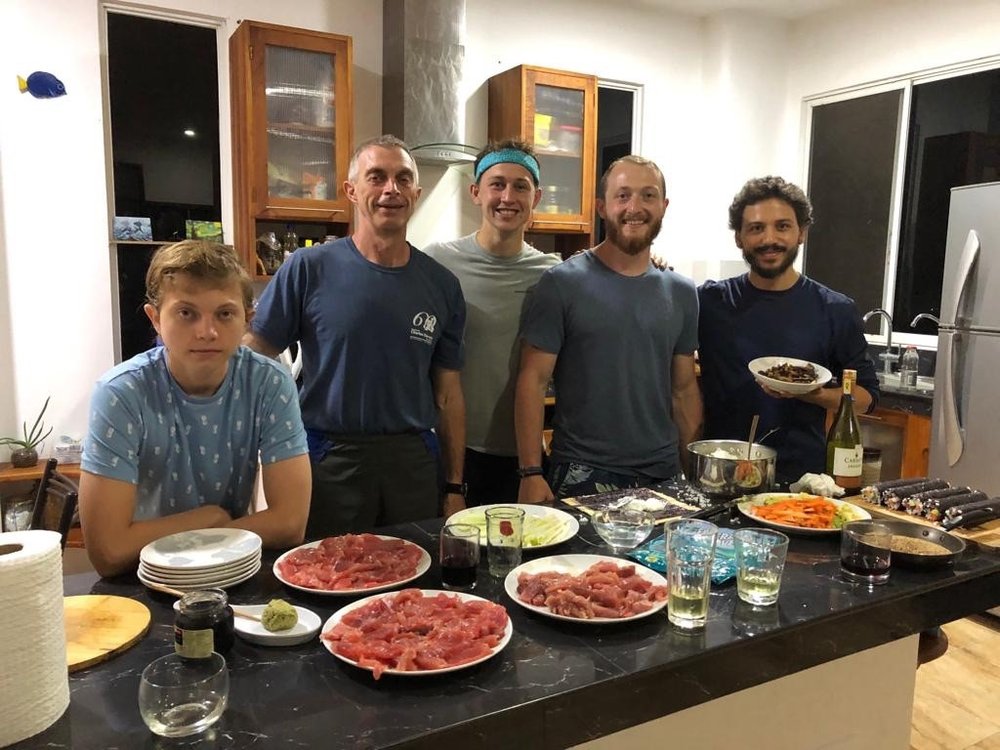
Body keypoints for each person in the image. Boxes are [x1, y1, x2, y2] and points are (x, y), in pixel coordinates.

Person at [245, 135, 467, 536]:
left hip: (412, 462)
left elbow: (448, 393)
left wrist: (454, 484)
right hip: (331, 459)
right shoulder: (307, 268)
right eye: (376, 177)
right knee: (327, 579)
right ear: (351, 190)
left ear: (415, 192)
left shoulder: (442, 285)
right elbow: (256, 356)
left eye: (402, 179)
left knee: (414, 582)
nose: (390, 190)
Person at [79, 240, 311, 577]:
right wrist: (209, 519)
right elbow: (109, 553)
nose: (207, 332)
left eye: (224, 313)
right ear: (155, 318)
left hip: (232, 569)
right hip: (142, 579)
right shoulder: (121, 393)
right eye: (186, 313)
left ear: (247, 319)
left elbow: (290, 523)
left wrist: (210, 530)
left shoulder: (269, 383)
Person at [515, 155, 703, 501]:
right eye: (623, 195)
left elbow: (684, 389)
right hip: (581, 471)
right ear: (602, 207)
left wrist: (692, 470)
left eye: (648, 196)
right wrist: (530, 471)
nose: (635, 207)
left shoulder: (682, 291)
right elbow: (532, 381)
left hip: (662, 474)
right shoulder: (561, 283)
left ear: (663, 206)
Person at [697, 175, 879, 484]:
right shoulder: (710, 301)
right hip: (720, 475)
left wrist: (813, 394)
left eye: (782, 226)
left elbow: (866, 396)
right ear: (739, 238)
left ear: (801, 233)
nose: (770, 239)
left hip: (800, 483)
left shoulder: (834, 309)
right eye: (756, 228)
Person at [423, 139, 560, 505]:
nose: (507, 197)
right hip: (452, 453)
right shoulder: (437, 263)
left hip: (524, 457)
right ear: (476, 192)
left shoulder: (552, 275)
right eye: (497, 184)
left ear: (537, 197)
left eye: (520, 186)